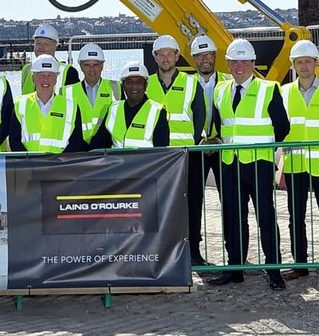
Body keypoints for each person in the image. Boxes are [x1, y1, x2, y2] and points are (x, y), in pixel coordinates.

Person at [208, 38, 290, 290]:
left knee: (265, 216)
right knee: (233, 217)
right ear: (228, 64)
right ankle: (235, 267)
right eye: (234, 61)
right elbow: (221, 125)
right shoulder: (221, 90)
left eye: (244, 61)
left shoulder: (269, 88)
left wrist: (263, 147)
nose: (239, 65)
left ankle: (274, 269)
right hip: (230, 164)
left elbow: (282, 127)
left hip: (258, 163)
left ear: (253, 63)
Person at [278, 40, 319, 283]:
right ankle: (300, 264)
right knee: (296, 216)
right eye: (299, 62)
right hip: (295, 164)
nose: (304, 66)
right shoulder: (284, 92)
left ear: (316, 63)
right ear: (293, 65)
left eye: (308, 61)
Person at [149, 34, 209, 264]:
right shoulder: (146, 83)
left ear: (177, 56)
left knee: (192, 205)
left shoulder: (191, 83)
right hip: (158, 158)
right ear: (155, 57)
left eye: (169, 54)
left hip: (186, 156)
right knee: (160, 207)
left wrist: (190, 144)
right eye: (161, 54)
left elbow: (199, 118)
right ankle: (163, 254)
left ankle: (193, 251)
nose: (165, 58)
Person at [188, 34, 229, 266]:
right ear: (194, 59)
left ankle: (233, 251)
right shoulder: (187, 84)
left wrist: (218, 140)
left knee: (230, 201)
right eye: (200, 56)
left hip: (222, 148)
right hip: (197, 150)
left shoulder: (227, 81)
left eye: (209, 55)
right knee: (194, 202)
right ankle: (194, 251)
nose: (205, 59)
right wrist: (199, 140)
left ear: (215, 57)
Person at [7, 55, 87, 153]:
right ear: (33, 78)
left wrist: (58, 162)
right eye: (41, 75)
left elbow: (76, 141)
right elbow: (15, 140)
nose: (46, 80)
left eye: (50, 75)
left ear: (56, 79)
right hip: (29, 165)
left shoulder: (71, 107)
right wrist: (29, 162)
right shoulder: (20, 104)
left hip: (61, 165)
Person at [88, 60, 171, 149]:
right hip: (117, 162)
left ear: (145, 85)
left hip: (146, 163)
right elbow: (99, 142)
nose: (134, 86)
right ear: (123, 85)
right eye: (129, 82)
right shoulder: (113, 109)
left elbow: (162, 153)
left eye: (139, 82)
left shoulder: (157, 111)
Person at [67, 43, 118, 144]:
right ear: (80, 66)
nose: (92, 69)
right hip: (79, 149)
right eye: (87, 65)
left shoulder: (116, 87)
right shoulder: (67, 91)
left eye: (96, 65)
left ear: (102, 66)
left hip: (106, 147)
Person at [18, 23, 80, 95]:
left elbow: (75, 101)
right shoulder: (26, 69)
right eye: (38, 43)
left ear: (55, 46)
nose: (41, 47)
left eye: (46, 44)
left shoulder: (68, 72)